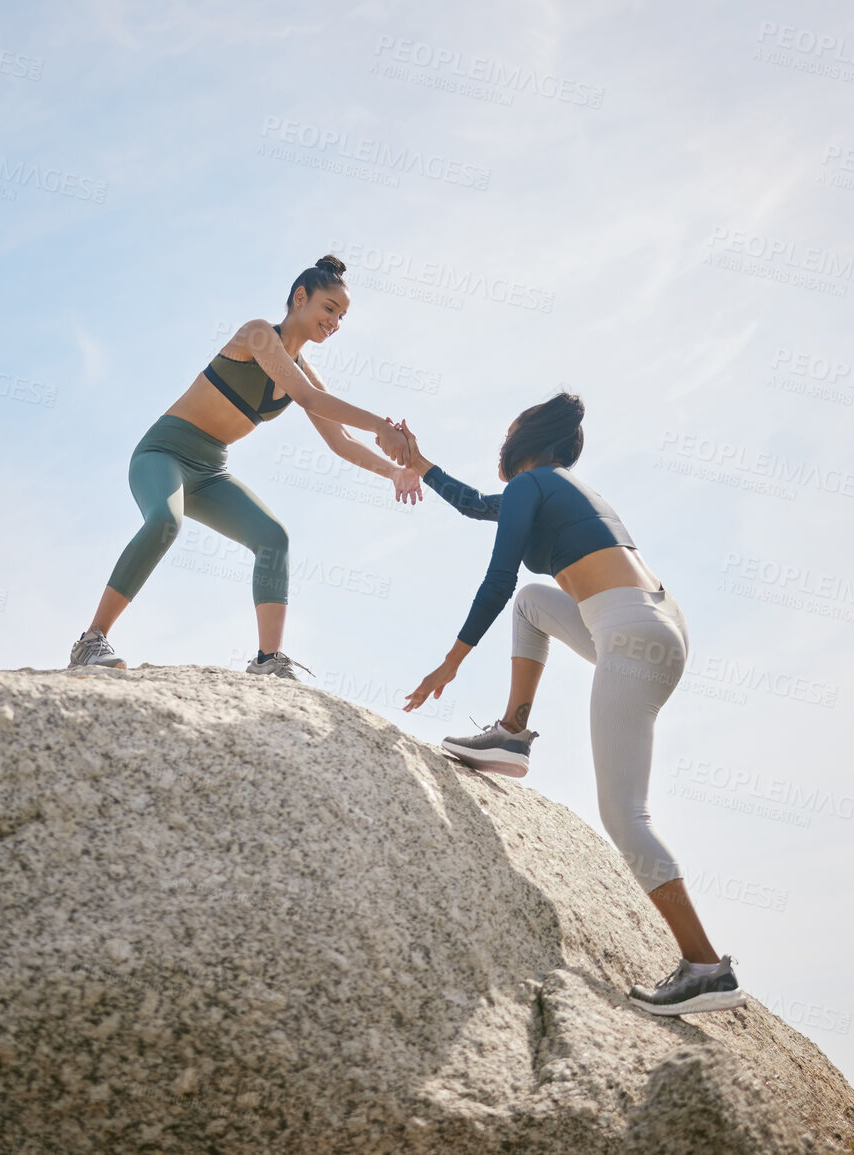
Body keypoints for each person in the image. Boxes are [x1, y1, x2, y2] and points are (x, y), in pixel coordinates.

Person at [399, 396, 746, 1016]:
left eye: (506, 432)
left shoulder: (535, 482)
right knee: (536, 602)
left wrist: (452, 660)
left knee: (624, 815)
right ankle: (511, 733)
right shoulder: (555, 486)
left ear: (526, 440)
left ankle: (705, 967)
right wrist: (421, 464)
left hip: (629, 630)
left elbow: (498, 574)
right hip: (653, 621)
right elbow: (483, 508)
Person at [68, 255, 419, 677]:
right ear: (300, 298)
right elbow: (309, 399)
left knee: (274, 537)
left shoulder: (303, 374)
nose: (335, 323)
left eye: (342, 316)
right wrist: (381, 424)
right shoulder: (257, 335)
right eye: (329, 309)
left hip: (210, 471)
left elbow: (340, 440)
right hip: (163, 453)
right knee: (165, 520)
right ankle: (91, 641)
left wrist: (394, 472)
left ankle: (268, 661)